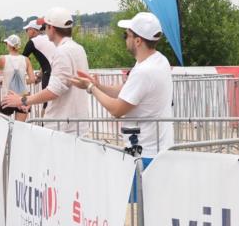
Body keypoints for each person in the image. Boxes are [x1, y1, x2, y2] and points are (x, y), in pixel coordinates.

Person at [67, 11, 174, 157]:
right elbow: (126, 92)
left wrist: (90, 88)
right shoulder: (159, 60)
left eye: (126, 35)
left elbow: (117, 110)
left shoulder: (144, 71)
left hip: (145, 152)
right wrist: (98, 85)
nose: (125, 39)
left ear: (138, 41)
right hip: (157, 148)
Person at [1, 7, 89, 133]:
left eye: (45, 26)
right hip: (78, 125)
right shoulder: (79, 49)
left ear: (51, 28)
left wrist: (23, 100)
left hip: (62, 127)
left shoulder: (62, 52)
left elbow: (54, 90)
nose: (44, 30)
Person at [0, 35, 35, 121]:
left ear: (9, 45)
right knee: (19, 128)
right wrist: (21, 82)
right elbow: (32, 79)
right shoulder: (26, 60)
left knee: (2, 125)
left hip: (8, 97)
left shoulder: (2, 59)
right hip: (23, 98)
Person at [22, 18, 52, 95]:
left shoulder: (33, 42)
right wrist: (39, 77)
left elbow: (21, 60)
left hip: (49, 75)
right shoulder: (49, 38)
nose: (26, 33)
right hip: (58, 73)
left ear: (33, 30)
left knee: (47, 104)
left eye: (27, 30)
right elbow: (47, 61)